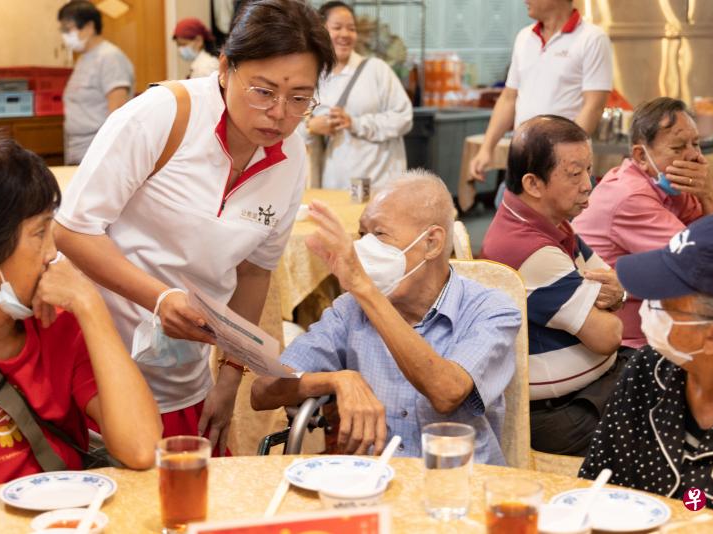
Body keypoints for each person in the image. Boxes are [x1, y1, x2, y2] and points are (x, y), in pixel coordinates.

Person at [54, 0, 335, 454]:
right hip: (94, 360)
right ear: (225, 68)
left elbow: (254, 272)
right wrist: (160, 298)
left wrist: (228, 378)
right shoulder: (163, 116)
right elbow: (71, 231)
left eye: (300, 98)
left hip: (183, 372)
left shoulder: (292, 157)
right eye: (263, 91)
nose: (280, 113)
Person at [0, 133, 161, 492]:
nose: (53, 253)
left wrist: (90, 305)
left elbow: (142, 448)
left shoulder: (59, 322)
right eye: (39, 234)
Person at [252, 171, 521, 462]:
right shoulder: (350, 310)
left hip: (461, 490)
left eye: (379, 234)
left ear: (431, 243)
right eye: (362, 234)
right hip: (378, 486)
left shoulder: (491, 309)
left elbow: (446, 391)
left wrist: (364, 289)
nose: (365, 247)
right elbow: (263, 391)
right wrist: (337, 380)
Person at [480, 115, 625, 456]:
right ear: (533, 184)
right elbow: (609, 336)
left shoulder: (549, 223)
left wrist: (613, 295)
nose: (588, 184)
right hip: (556, 417)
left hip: (585, 392)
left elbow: (613, 281)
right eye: (575, 175)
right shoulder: (530, 248)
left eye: (588, 171)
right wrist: (612, 301)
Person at [580, 213, 713, 514]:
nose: (648, 306)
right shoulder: (648, 370)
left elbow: (696, 510)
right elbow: (596, 483)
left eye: (665, 303)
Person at [572, 97, 713, 351]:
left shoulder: (674, 184)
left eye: (696, 144)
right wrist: (709, 193)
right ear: (641, 156)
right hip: (628, 343)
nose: (695, 156)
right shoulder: (630, 196)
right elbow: (704, 262)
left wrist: (706, 193)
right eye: (678, 148)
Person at [469, 0, 612, 182]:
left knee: (566, 210)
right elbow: (508, 98)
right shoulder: (524, 37)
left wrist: (565, 155)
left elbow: (593, 106)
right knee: (508, 207)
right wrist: (486, 149)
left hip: (565, 165)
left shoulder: (592, 39)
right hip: (523, 157)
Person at [303, 1, 413, 190]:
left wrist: (355, 123)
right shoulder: (313, 77)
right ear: (321, 31)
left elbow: (403, 118)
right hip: (334, 182)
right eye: (337, 28)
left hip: (379, 180)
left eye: (351, 29)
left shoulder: (377, 69)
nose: (345, 35)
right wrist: (310, 127)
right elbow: (292, 125)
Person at [58, 0, 135, 165]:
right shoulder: (84, 59)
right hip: (77, 150)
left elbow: (117, 112)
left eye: (68, 28)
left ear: (89, 27)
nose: (64, 35)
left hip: (97, 152)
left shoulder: (110, 57)